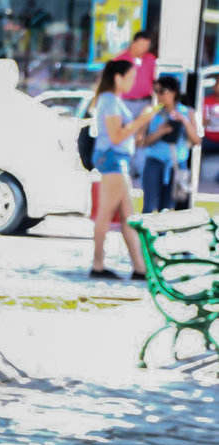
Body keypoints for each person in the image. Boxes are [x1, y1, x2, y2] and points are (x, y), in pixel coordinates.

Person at [89, 59, 156, 280]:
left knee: (129, 217)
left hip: (118, 160)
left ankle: (139, 268)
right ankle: (98, 265)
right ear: (118, 78)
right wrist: (142, 120)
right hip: (114, 160)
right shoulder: (109, 100)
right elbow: (116, 135)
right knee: (106, 215)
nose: (133, 82)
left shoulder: (112, 100)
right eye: (130, 78)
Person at [138, 76, 202, 213]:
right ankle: (144, 233)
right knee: (149, 206)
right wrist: (160, 132)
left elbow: (197, 141)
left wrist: (184, 121)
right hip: (154, 162)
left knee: (167, 208)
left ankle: (163, 234)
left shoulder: (187, 112)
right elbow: (141, 142)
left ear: (174, 92)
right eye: (156, 91)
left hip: (177, 164)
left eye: (162, 91)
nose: (158, 95)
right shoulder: (150, 112)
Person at [115, 31, 157, 177]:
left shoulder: (151, 60)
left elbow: (155, 82)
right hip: (125, 102)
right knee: (125, 133)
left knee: (141, 135)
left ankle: (139, 170)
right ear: (134, 43)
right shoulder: (121, 59)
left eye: (147, 45)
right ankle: (124, 168)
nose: (144, 49)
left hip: (144, 102)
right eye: (141, 45)